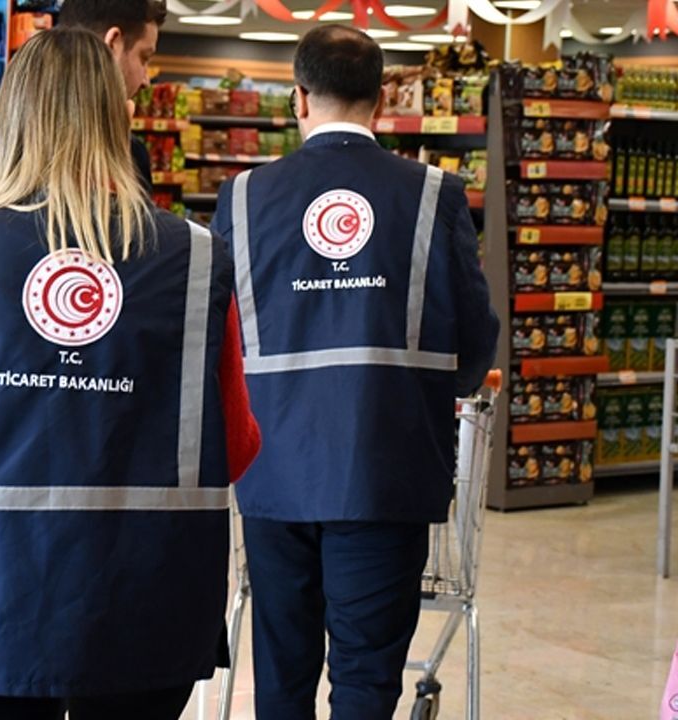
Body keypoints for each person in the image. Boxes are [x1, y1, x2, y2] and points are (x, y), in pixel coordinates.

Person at [0, 27, 260, 720]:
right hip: (145, 598)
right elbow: (233, 447)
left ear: (11, 120)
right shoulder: (196, 258)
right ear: (117, 118)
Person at [211, 25, 498, 720]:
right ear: (381, 99)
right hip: (388, 468)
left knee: (282, 673)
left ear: (298, 98)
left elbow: (215, 332)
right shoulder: (434, 194)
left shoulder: (243, 198)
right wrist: (440, 387)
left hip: (274, 474)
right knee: (368, 678)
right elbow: (476, 335)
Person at [0, 0, 164, 220]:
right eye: (144, 58)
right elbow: (139, 246)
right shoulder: (124, 153)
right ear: (113, 44)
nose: (146, 80)